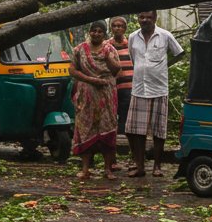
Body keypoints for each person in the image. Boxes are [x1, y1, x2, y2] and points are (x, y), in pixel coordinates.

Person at [125, 10, 184, 177]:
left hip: (159, 89)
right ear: (138, 18)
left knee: (159, 130)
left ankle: (157, 166)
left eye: (149, 17)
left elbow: (179, 53)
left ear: (155, 18)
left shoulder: (165, 35)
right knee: (137, 131)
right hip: (139, 89)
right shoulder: (133, 37)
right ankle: (140, 166)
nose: (145, 20)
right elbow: (134, 59)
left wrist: (165, 66)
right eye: (141, 17)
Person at [69, 20, 121, 180]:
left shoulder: (110, 49)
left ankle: (108, 169)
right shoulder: (79, 49)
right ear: (89, 32)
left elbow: (116, 70)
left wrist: (108, 58)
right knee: (85, 129)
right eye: (94, 31)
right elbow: (72, 70)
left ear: (104, 34)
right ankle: (85, 169)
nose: (96, 34)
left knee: (108, 128)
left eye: (100, 31)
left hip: (106, 95)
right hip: (86, 96)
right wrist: (91, 79)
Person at [109, 16, 134, 157]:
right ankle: (111, 145)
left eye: (120, 26)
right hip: (112, 86)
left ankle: (123, 146)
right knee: (112, 114)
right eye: (114, 26)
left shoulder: (131, 44)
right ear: (111, 28)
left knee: (125, 115)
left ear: (125, 28)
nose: (117, 28)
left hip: (128, 85)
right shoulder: (107, 45)